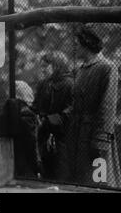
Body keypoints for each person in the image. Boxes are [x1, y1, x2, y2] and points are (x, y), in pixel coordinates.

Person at [69, 25, 121, 188]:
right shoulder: (80, 70)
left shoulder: (107, 68)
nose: (75, 47)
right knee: (81, 182)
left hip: (95, 137)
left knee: (100, 182)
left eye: (77, 44)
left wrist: (100, 141)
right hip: (77, 136)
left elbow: (107, 108)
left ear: (87, 44)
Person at [33, 52, 73, 181]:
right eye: (42, 66)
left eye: (46, 66)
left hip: (63, 139)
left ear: (56, 66)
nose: (43, 69)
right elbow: (35, 106)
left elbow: (72, 111)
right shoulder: (43, 85)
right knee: (46, 175)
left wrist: (49, 121)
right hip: (43, 137)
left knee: (62, 176)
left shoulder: (70, 84)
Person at [12, 80, 41, 178]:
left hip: (18, 162)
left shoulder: (14, 109)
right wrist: (37, 166)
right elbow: (32, 143)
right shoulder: (27, 113)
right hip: (27, 164)